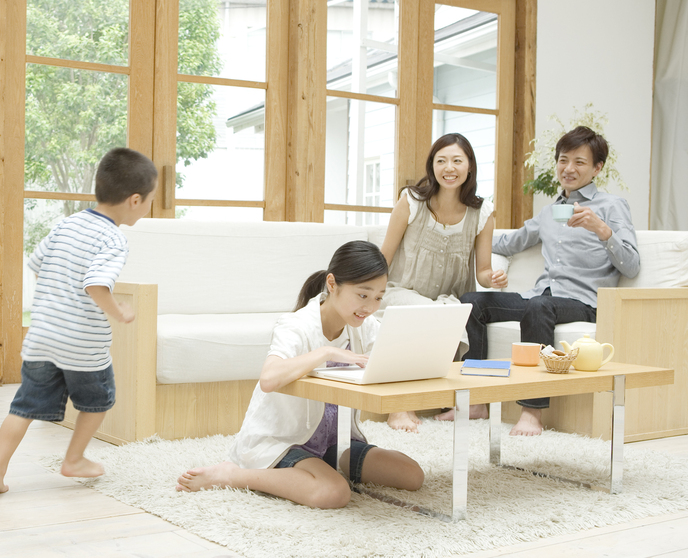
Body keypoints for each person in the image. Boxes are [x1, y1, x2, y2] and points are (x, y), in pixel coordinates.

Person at [175, 241, 425, 509]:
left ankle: (324, 465)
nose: (369, 307)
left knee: (412, 475)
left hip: (335, 442)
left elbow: (393, 365)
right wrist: (326, 352)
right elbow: (269, 378)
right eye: (363, 295)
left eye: (378, 297)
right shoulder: (296, 325)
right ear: (332, 284)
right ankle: (233, 475)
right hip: (286, 440)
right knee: (334, 493)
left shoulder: (366, 326)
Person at [0, 147, 158, 493]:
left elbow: (35, 265)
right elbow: (96, 283)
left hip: (42, 335)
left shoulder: (67, 223)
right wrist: (118, 311)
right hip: (83, 343)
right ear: (135, 200)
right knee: (99, 400)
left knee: (23, 407)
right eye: (151, 199)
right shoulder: (113, 238)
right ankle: (74, 459)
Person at [453, 126, 640, 436]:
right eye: (563, 160)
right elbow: (509, 243)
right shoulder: (551, 211)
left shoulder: (611, 207)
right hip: (542, 297)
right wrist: (463, 231)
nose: (569, 169)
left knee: (540, 306)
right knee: (472, 302)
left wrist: (602, 230)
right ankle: (476, 401)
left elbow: (632, 266)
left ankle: (532, 411)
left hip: (585, 302)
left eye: (579, 162)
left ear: (597, 168)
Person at [378, 133, 507, 432]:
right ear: (432, 166)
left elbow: (483, 272)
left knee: (445, 313)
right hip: (401, 293)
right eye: (441, 161)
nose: (449, 167)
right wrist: (365, 294)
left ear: (470, 167)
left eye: (457, 161)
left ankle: (431, 401)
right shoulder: (411, 201)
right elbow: (384, 257)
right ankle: (399, 407)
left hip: (447, 300)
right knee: (424, 314)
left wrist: (495, 278)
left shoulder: (481, 213)